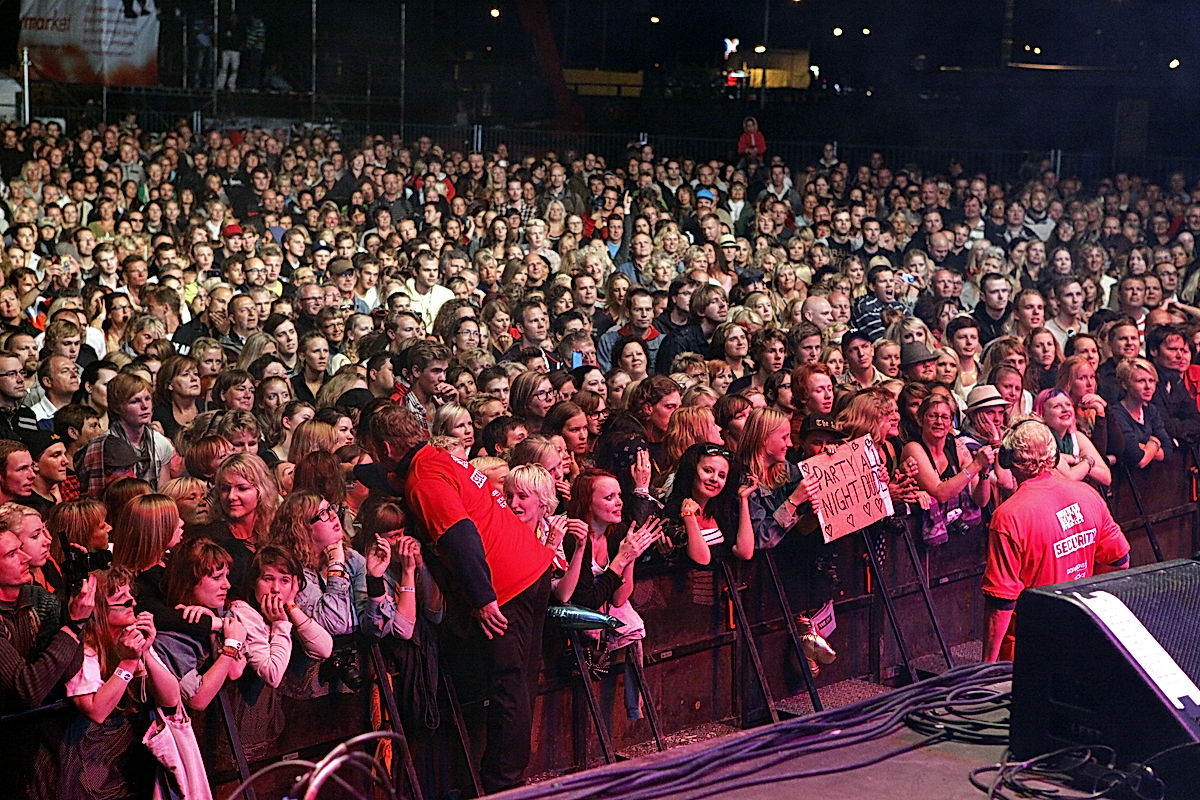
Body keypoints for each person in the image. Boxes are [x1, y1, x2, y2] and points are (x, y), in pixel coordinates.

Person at [365, 404, 555, 793]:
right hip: (531, 567)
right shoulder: (437, 457)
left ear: (385, 448)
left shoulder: (424, 478)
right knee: (519, 684)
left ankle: (503, 786)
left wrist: (482, 599)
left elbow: (459, 535)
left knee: (508, 687)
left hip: (505, 585)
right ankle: (511, 780)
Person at [982, 419, 1130, 661]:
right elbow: (1119, 560)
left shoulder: (1008, 516)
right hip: (1081, 629)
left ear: (1009, 460)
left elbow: (1001, 602)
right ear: (1054, 455)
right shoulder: (1088, 495)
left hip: (1030, 645)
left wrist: (986, 665)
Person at [56, 567, 185, 800]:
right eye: (122, 599)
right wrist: (128, 663)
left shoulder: (130, 639)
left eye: (131, 595)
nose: (133, 602)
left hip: (128, 768)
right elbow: (96, 710)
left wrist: (145, 651)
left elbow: (171, 698)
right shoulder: (84, 650)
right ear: (98, 610)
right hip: (87, 773)